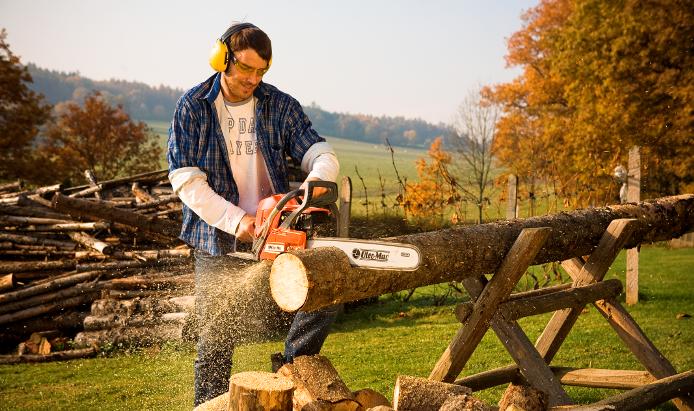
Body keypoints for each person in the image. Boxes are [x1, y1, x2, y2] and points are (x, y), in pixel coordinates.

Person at [167, 22, 340, 406]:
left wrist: (312, 186)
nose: (252, 79)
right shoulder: (194, 107)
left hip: (276, 233)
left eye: (260, 71)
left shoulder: (277, 104)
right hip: (219, 240)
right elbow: (186, 181)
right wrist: (239, 221)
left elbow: (321, 152)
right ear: (222, 60)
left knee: (325, 294)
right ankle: (208, 407)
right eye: (245, 69)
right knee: (214, 341)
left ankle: (290, 375)